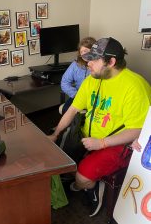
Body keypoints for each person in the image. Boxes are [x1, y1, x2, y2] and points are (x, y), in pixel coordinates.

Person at [49, 37, 151, 217]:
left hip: (117, 144)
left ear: (111, 62)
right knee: (60, 164)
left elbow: (137, 130)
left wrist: (102, 143)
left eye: (94, 59)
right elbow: (73, 109)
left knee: (81, 178)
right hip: (90, 138)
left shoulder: (135, 86)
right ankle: (87, 178)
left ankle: (93, 187)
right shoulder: (92, 80)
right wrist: (55, 135)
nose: (88, 63)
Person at [60, 37, 96, 114]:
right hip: (78, 96)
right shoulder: (75, 65)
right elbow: (64, 82)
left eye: (86, 51)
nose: (83, 54)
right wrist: (75, 94)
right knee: (66, 110)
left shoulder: (100, 65)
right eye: (81, 52)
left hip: (95, 99)